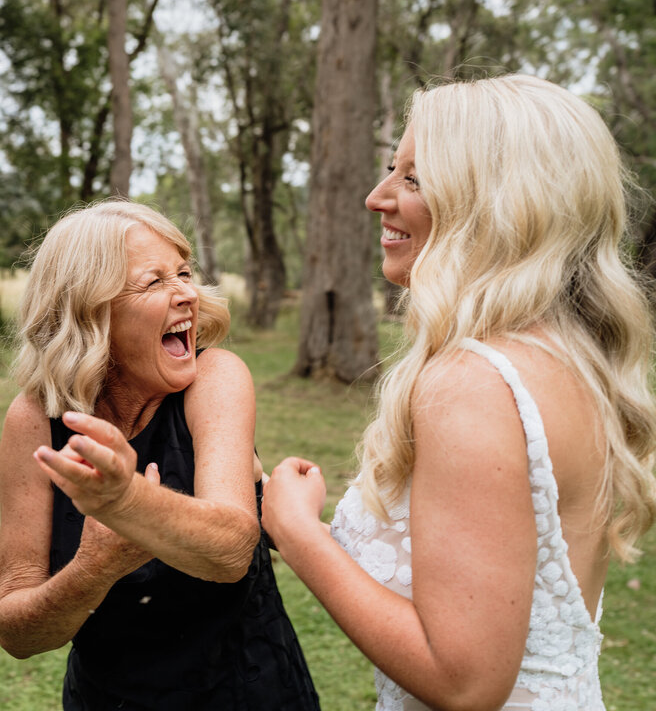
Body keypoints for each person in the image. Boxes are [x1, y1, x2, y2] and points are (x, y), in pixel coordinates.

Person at [262, 74, 656, 709]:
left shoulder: (476, 382)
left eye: (413, 179)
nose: (376, 196)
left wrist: (300, 532)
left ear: (496, 203)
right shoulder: (571, 362)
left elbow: (465, 681)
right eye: (393, 168)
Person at [0, 200, 319, 709]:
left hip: (246, 691)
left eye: (184, 273)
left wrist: (127, 501)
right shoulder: (34, 418)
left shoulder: (215, 379)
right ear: (90, 309)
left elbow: (231, 551)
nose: (188, 293)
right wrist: (93, 568)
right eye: (155, 281)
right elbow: (16, 631)